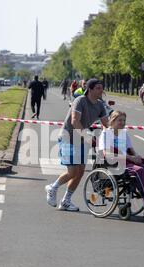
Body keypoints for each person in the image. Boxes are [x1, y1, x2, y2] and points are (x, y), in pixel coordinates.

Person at [45, 79, 109, 212]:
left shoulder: (100, 105)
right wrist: (87, 137)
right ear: (90, 89)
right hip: (69, 136)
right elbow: (74, 121)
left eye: (101, 88)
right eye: (98, 88)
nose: (101, 90)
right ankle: (53, 187)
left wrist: (113, 135)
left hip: (82, 139)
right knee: (72, 171)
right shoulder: (80, 100)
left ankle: (66, 201)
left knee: (79, 173)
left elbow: (106, 124)